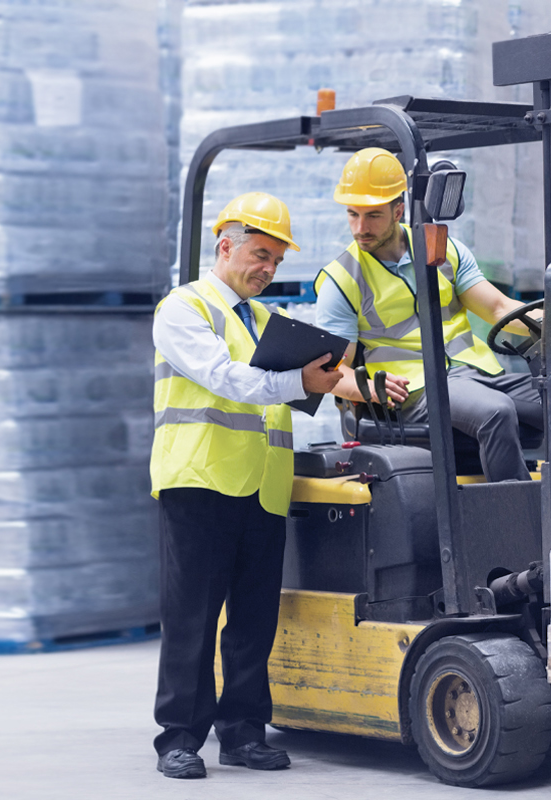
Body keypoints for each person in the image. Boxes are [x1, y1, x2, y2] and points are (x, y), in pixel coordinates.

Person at [149, 191, 342, 780]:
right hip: (199, 483)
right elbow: (223, 378)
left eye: (277, 261)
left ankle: (243, 733)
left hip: (261, 486)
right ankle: (179, 737)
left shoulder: (266, 322)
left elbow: (293, 390)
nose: (268, 269)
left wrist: (343, 385)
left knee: (255, 618)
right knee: (193, 617)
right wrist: (296, 381)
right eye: (260, 254)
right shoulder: (184, 309)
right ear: (224, 246)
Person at [313, 147, 544, 483]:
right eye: (352, 214)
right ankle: (515, 527)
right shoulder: (342, 278)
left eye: (373, 215)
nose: (360, 228)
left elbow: (498, 308)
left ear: (398, 210)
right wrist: (367, 391)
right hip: (417, 389)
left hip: (477, 374)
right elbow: (334, 369)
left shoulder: (444, 250)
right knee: (496, 412)